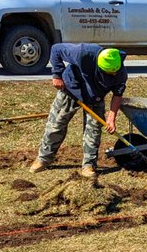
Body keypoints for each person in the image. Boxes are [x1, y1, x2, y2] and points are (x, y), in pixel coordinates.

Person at [30, 44, 128, 178]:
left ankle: (89, 165)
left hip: (95, 97)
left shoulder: (120, 72)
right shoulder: (82, 53)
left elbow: (117, 95)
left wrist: (111, 119)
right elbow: (56, 49)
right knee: (56, 125)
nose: (114, 74)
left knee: (93, 130)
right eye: (110, 73)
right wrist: (57, 75)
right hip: (70, 89)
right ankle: (43, 158)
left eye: (115, 72)